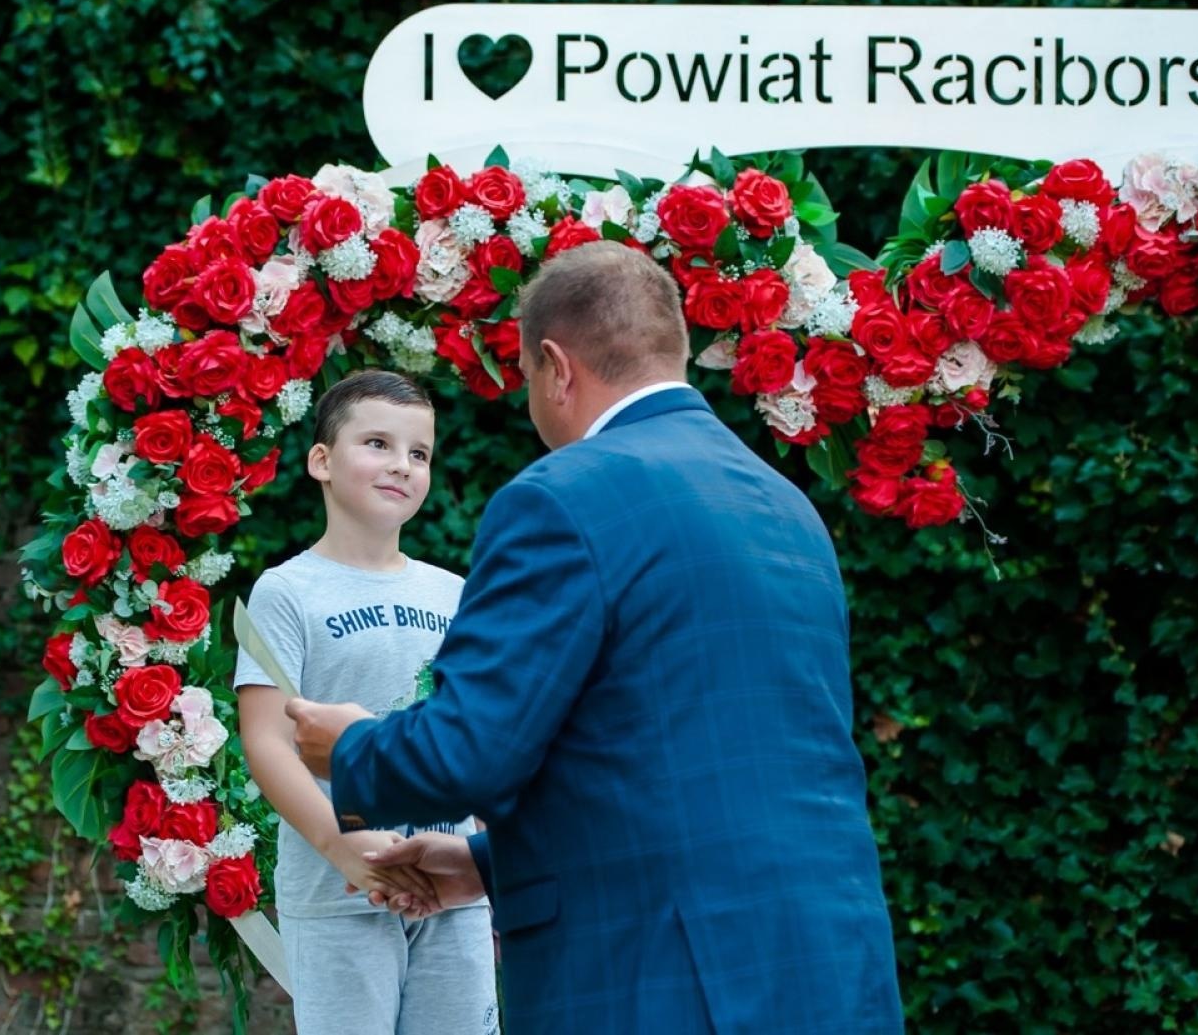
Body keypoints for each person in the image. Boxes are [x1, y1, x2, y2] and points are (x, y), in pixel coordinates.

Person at [287, 242, 904, 1033]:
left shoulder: (562, 497)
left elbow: (473, 748)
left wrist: (350, 750)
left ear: (556, 365)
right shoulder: (788, 508)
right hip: (829, 968)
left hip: (663, 980)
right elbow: (692, 754)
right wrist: (485, 865)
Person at [235, 370, 497, 1035]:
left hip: (449, 888)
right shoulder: (287, 590)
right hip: (337, 887)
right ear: (321, 460)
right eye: (377, 442)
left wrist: (487, 855)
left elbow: (481, 732)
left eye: (418, 453)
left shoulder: (456, 593)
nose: (401, 465)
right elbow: (267, 739)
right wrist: (339, 843)